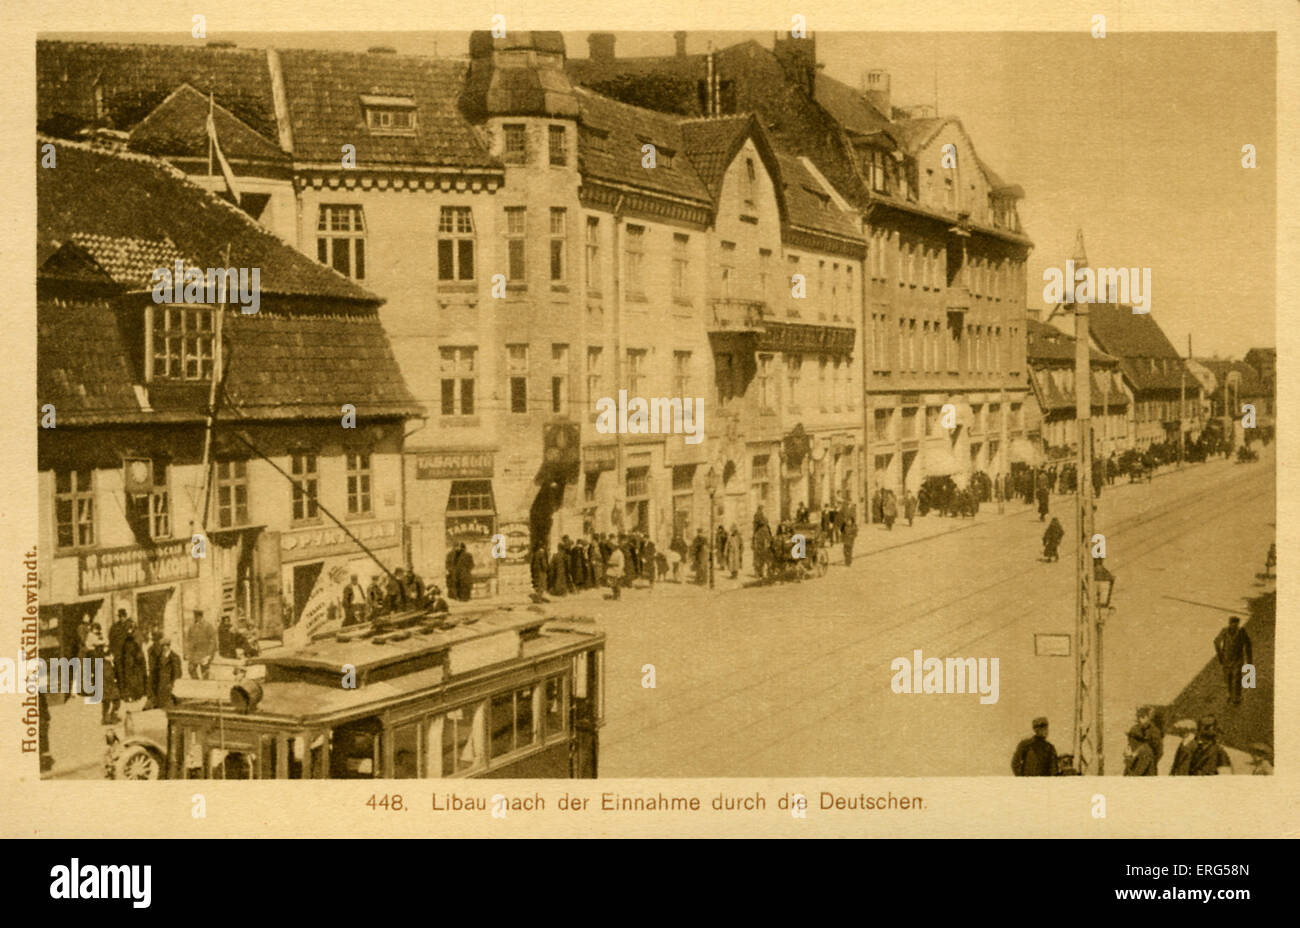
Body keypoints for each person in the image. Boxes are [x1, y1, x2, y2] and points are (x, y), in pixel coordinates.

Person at [1213, 616, 1253, 706]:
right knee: (1228, 678)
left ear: (1238, 624)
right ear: (1229, 624)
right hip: (1226, 660)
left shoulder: (1242, 632)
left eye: (1236, 624)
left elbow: (1248, 644)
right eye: (1232, 624)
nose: (1234, 626)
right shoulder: (1224, 631)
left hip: (1238, 660)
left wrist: (1249, 660)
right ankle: (1230, 695)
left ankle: (1236, 698)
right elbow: (1216, 642)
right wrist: (1220, 656)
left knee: (1237, 678)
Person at [115, 620, 148, 704]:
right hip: (130, 662)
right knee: (130, 679)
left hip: (129, 662)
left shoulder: (131, 639)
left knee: (130, 679)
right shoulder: (130, 640)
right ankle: (131, 695)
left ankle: (130, 695)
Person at [89, 640, 121, 725]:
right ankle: (112, 717)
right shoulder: (105, 663)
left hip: (102, 687)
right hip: (108, 686)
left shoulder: (96, 661)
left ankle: (105, 718)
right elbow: (110, 675)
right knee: (116, 701)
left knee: (106, 703)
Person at [147, 637, 184, 711]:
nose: (164, 648)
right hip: (160, 686)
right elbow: (154, 672)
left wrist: (172, 684)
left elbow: (178, 673)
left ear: (169, 646)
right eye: (163, 646)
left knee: (168, 707)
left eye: (166, 646)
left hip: (169, 686)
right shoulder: (159, 657)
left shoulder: (175, 657)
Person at [184, 609, 217, 680]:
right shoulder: (192, 627)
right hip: (194, 653)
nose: (195, 618)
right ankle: (197, 682)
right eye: (195, 616)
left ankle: (205, 687)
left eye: (196, 616)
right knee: (191, 669)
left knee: (205, 672)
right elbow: (188, 640)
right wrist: (187, 653)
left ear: (200, 616)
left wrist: (209, 655)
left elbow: (213, 641)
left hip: (204, 653)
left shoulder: (208, 626)